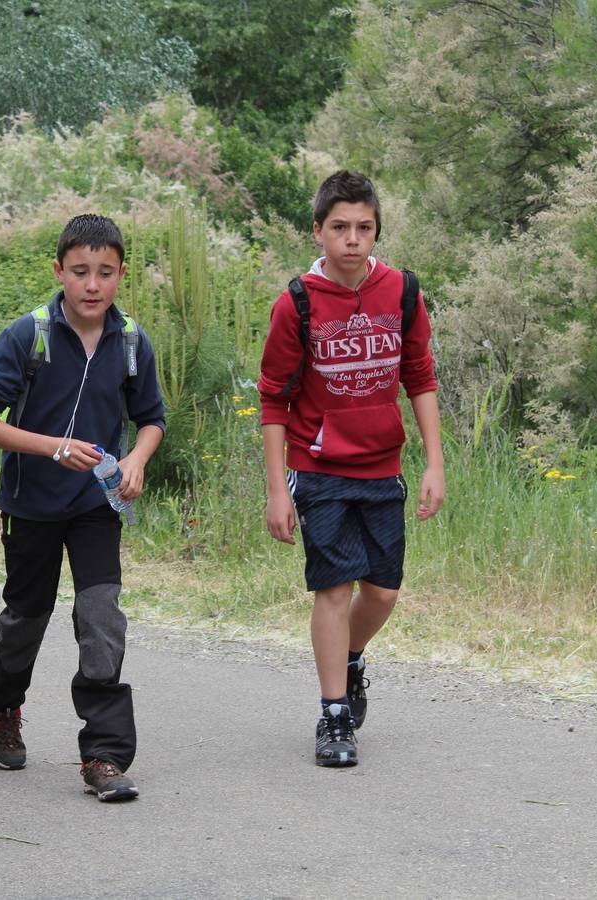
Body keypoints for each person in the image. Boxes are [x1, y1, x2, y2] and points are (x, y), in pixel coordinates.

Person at [0, 214, 166, 802]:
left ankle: (103, 754)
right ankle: (1, 703)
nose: (92, 285)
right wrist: (52, 447)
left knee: (100, 618)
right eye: (80, 272)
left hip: (97, 506)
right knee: (27, 615)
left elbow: (152, 418)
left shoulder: (130, 341)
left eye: (105, 273)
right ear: (59, 271)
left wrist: (137, 461)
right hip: (30, 505)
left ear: (121, 275)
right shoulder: (26, 336)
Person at [257, 170, 445, 768]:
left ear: (376, 232)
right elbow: (272, 400)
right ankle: (334, 714)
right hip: (318, 468)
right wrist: (275, 491)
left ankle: (351, 658)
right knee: (334, 588)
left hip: (381, 466)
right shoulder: (298, 303)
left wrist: (434, 463)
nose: (352, 239)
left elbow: (419, 377)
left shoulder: (403, 292)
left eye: (364, 228)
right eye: (339, 227)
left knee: (383, 593)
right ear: (318, 231)